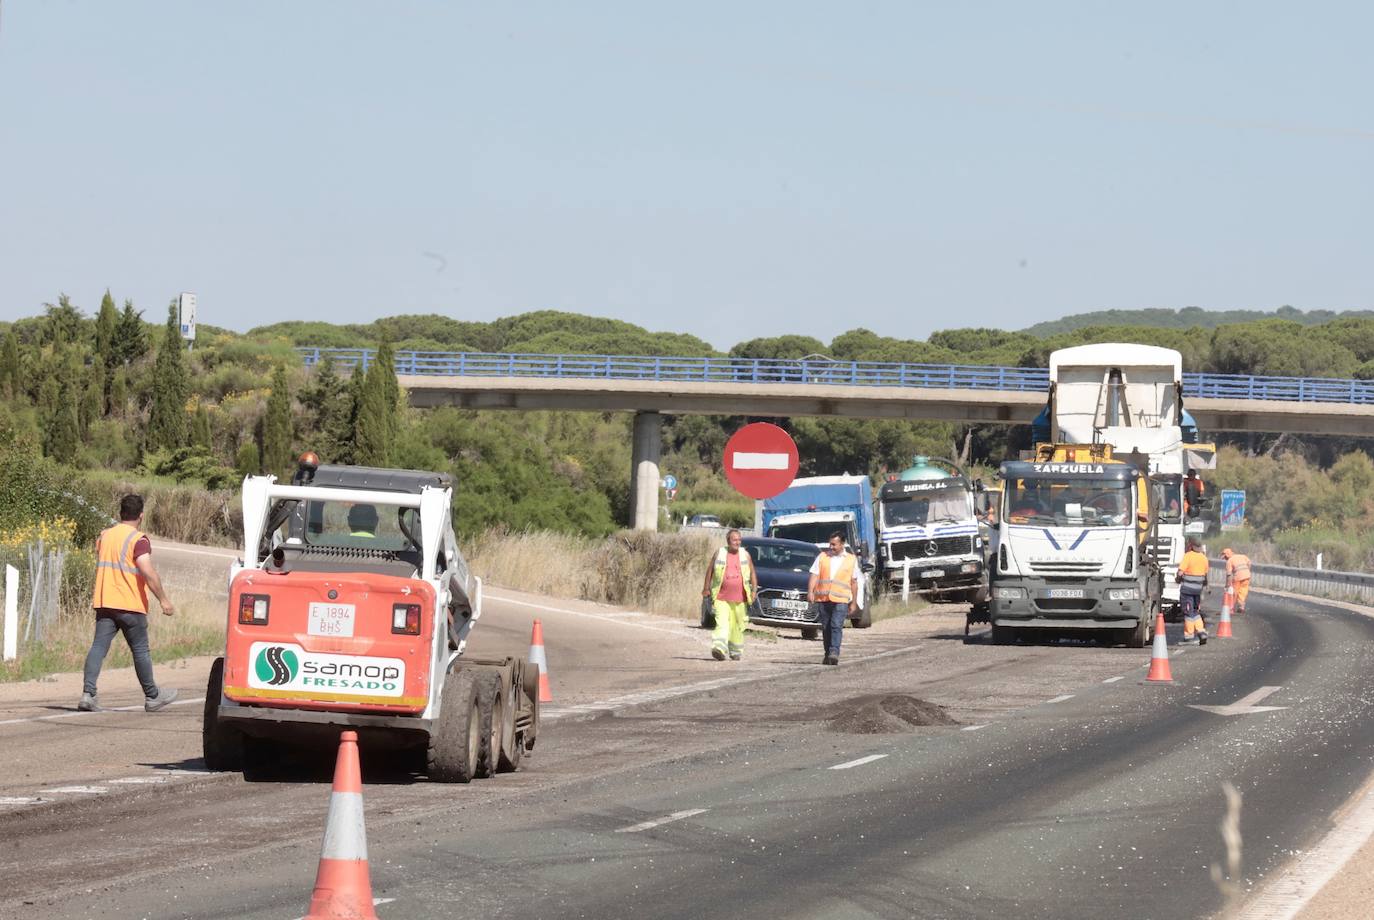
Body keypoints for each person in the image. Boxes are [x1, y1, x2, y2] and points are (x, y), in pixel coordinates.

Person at [79, 495, 179, 712]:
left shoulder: (105, 535)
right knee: (141, 650)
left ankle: (88, 694)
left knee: (98, 647)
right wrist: (163, 600)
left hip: (105, 601)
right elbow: (147, 571)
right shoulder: (139, 540)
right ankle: (153, 696)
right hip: (130, 604)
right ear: (141, 516)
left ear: (120, 513)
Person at [700, 529, 757, 661]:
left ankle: (735, 651)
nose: (737, 542)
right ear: (728, 541)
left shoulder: (745, 555)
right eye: (734, 540)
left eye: (739, 540)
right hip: (721, 597)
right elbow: (710, 570)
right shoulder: (719, 553)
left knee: (737, 626)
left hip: (741, 599)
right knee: (722, 623)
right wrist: (706, 588)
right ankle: (718, 649)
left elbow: (753, 573)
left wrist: (754, 591)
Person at [808, 532, 859, 666]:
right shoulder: (822, 557)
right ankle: (827, 653)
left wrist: (853, 602)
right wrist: (810, 592)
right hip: (823, 598)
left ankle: (834, 653)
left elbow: (854, 582)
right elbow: (814, 575)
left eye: (834, 544)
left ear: (842, 544)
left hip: (841, 599)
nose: (831, 547)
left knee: (836, 625)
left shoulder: (851, 559)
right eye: (830, 544)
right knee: (826, 627)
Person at [1175, 537, 1210, 645]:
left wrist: (1177, 579)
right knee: (1195, 611)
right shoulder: (1204, 558)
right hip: (1197, 590)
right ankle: (1201, 631)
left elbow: (1180, 572)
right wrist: (1205, 587)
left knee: (1188, 612)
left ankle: (1189, 636)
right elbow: (1205, 576)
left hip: (1187, 590)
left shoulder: (1188, 556)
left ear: (1191, 546)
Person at [1222, 547, 1252, 615]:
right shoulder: (1242, 556)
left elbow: (1229, 575)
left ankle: (1230, 608)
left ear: (1227, 555)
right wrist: (1246, 571)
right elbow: (1249, 563)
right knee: (1243, 591)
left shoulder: (1229, 561)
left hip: (1238, 577)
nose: (1225, 559)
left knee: (1234, 592)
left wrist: (1227, 585)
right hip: (1247, 576)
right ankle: (1241, 607)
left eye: (1225, 557)